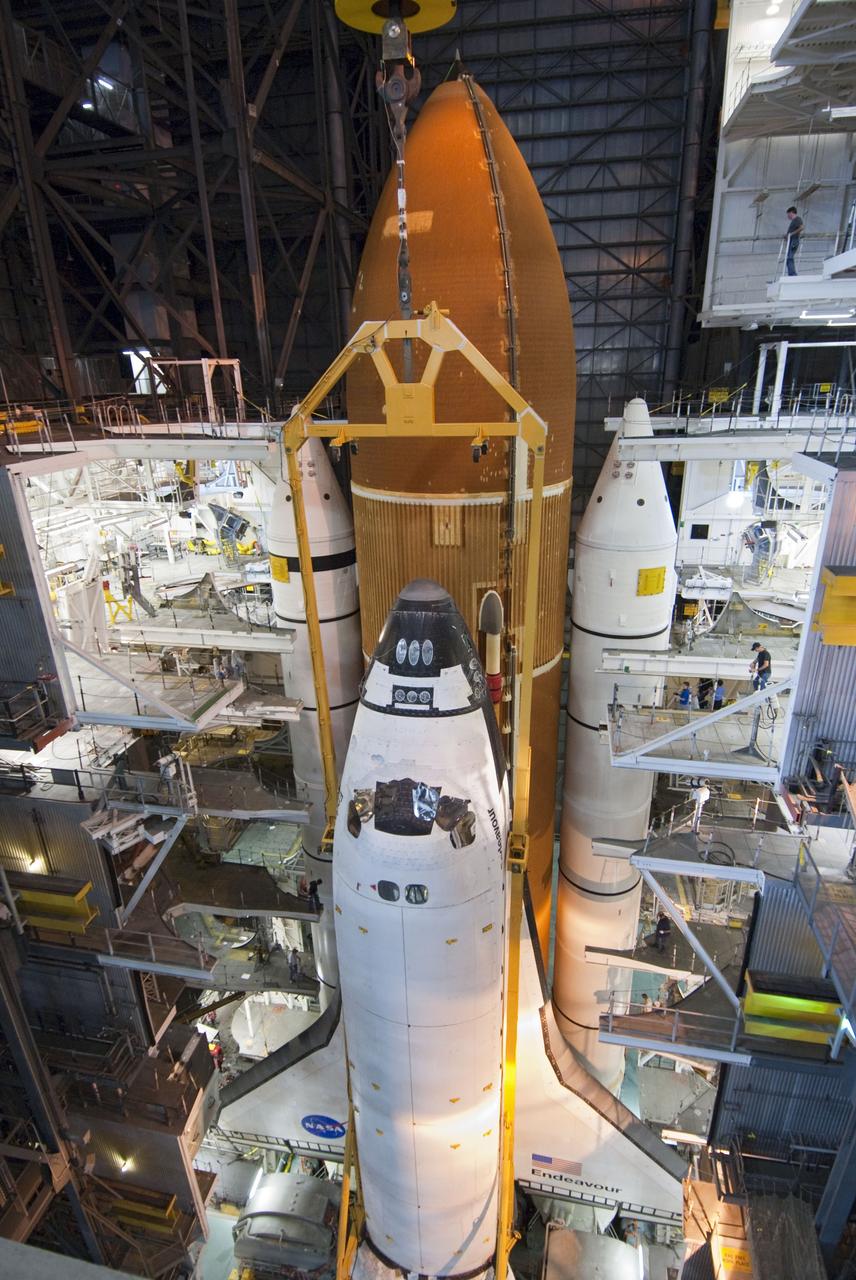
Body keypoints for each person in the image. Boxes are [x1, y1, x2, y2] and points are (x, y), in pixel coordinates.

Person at [785, 205, 804, 276]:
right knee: (788, 258)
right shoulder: (794, 221)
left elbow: (802, 227)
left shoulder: (797, 219)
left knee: (790, 257)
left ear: (791, 213)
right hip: (792, 240)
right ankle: (791, 273)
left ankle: (792, 274)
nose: (788, 216)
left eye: (788, 214)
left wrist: (791, 234)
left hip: (794, 240)